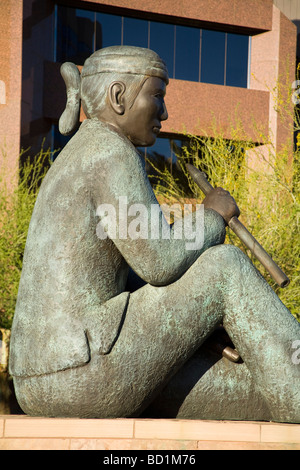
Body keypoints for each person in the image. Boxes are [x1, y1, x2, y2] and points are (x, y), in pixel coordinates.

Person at [9, 46, 300, 422]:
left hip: (46, 382)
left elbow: (133, 273)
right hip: (84, 368)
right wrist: (211, 217)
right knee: (224, 266)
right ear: (118, 96)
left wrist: (203, 323)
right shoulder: (109, 152)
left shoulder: (78, 154)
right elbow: (159, 262)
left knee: (257, 389)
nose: (164, 112)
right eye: (157, 96)